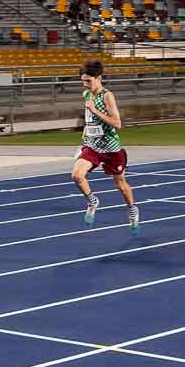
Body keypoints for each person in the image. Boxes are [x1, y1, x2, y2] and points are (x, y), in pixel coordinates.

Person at [71, 59, 140, 235]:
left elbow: (117, 123)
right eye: (83, 81)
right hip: (92, 147)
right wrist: (84, 139)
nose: (85, 84)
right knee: (77, 175)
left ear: (99, 78)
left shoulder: (107, 96)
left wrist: (94, 110)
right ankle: (92, 201)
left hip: (111, 149)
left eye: (88, 81)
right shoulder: (86, 95)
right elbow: (90, 122)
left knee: (120, 184)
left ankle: (132, 209)